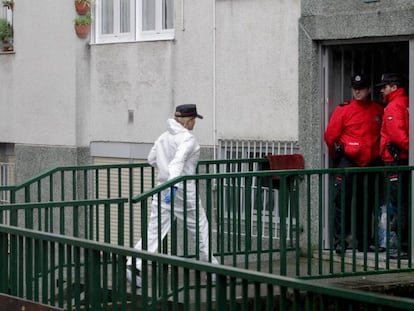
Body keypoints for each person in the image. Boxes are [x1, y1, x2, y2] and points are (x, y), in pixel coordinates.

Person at [126, 104, 218, 287]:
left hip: (162, 190)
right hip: (182, 191)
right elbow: (177, 164)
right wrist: (174, 185)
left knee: (155, 230)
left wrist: (166, 177)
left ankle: (133, 264)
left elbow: (152, 159)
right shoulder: (188, 139)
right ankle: (210, 269)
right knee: (200, 227)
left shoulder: (163, 137)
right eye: (194, 120)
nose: (194, 124)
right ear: (189, 120)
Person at [324, 74, 384, 254]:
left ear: (369, 89)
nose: (357, 91)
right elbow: (330, 136)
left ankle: (364, 241)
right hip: (349, 161)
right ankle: (339, 241)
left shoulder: (377, 110)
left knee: (367, 204)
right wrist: (338, 158)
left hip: (371, 163)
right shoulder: (344, 110)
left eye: (362, 88)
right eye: (355, 88)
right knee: (342, 202)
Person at [376, 73, 409, 258]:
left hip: (395, 161)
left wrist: (408, 151)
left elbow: (397, 136)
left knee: (398, 203)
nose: (381, 90)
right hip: (403, 160)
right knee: (404, 201)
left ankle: (401, 246)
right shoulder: (406, 101)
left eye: (384, 86)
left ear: (393, 87)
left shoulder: (393, 106)